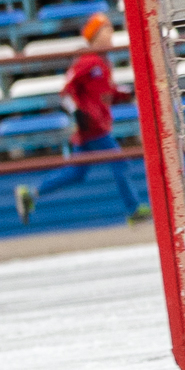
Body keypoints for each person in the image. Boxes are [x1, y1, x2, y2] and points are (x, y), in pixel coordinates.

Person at [16, 12, 150, 226]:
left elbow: (107, 92)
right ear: (95, 35)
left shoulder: (103, 62)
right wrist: (77, 113)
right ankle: (133, 209)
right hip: (93, 127)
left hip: (93, 126)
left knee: (76, 172)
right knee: (120, 163)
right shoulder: (88, 61)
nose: (111, 35)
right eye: (106, 31)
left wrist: (126, 93)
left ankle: (31, 193)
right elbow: (66, 91)